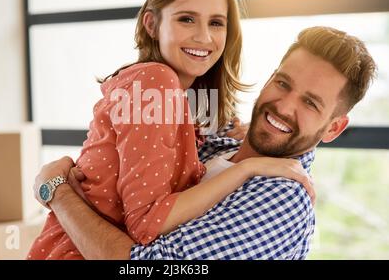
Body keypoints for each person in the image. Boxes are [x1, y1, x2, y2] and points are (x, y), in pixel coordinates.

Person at [28, 0, 314, 260]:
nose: (204, 37)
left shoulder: (190, 99)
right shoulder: (155, 81)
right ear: (151, 24)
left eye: (216, 23)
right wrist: (247, 169)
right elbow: (147, 224)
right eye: (187, 19)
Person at [31, 26, 376, 259]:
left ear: (333, 129)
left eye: (311, 103)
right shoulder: (217, 141)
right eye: (283, 83)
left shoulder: (282, 201)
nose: (284, 107)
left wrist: (57, 192)